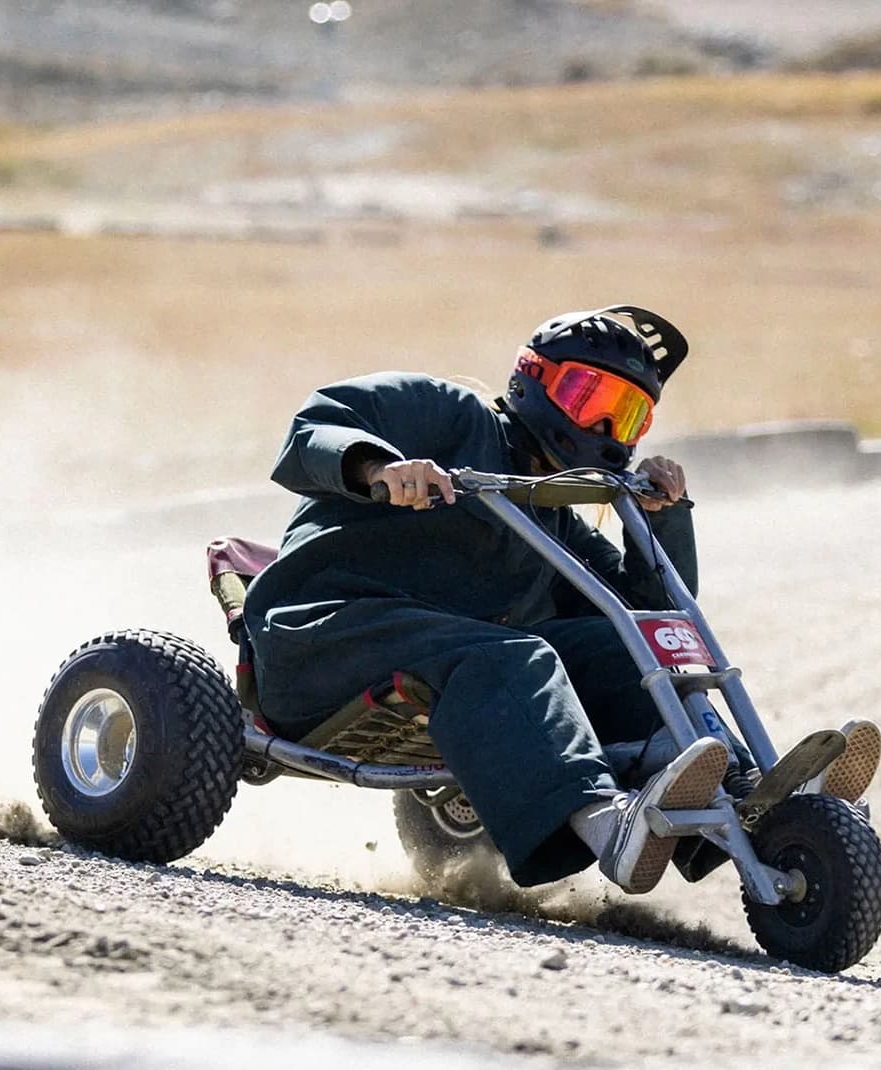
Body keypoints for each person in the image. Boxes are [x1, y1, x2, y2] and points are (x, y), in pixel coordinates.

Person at [243, 305, 734, 894]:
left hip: (451, 670)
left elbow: (644, 615)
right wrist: (381, 467)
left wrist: (662, 519)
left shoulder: (549, 520)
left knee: (630, 647)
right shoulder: (451, 415)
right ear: (533, 376)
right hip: (320, 639)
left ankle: (741, 795)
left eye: (626, 416)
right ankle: (605, 825)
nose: (605, 429)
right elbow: (314, 424)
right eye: (589, 397)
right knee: (514, 655)